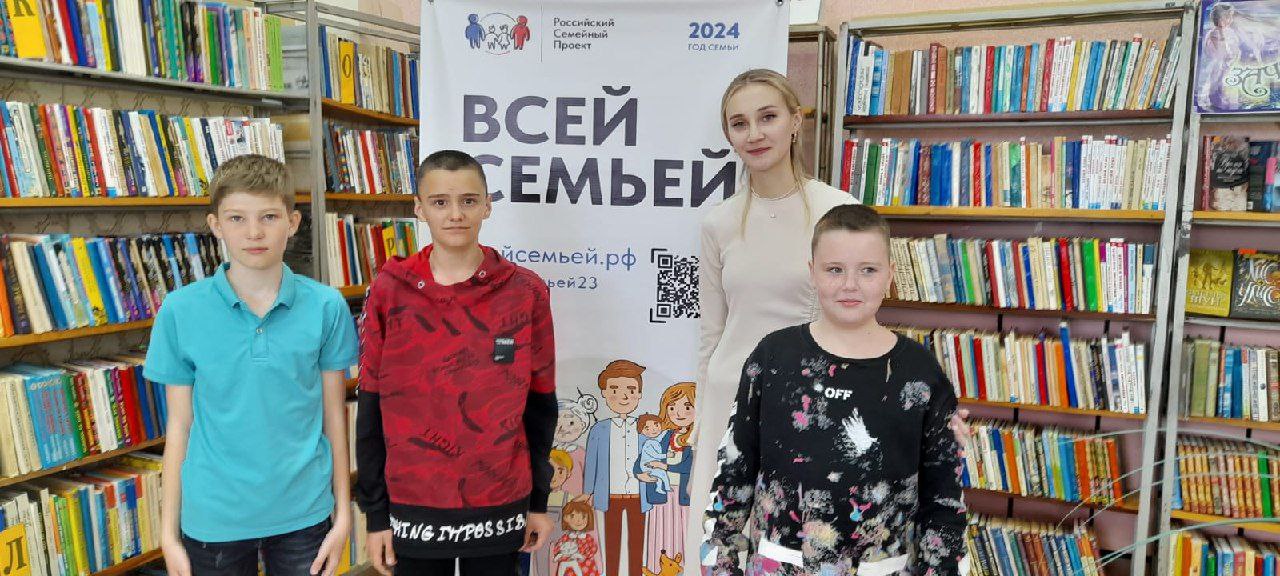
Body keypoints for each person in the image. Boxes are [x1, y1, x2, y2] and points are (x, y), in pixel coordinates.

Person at [701, 204, 966, 576]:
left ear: (890, 274)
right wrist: (721, 566)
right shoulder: (773, 356)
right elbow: (733, 473)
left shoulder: (921, 372)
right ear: (812, 272)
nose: (850, 285)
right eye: (834, 269)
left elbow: (944, 499)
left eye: (868, 270)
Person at [147, 154, 358, 576]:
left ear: (292, 223)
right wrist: (168, 535)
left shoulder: (326, 306)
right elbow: (180, 426)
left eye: (269, 217)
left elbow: (334, 416)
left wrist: (343, 515)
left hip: (304, 513)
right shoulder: (179, 310)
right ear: (216, 225)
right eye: (237, 218)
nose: (254, 232)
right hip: (213, 517)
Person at [355, 150, 557, 576]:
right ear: (419, 208)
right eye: (440, 202)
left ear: (487, 205)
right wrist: (375, 516)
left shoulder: (525, 291)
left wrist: (538, 502)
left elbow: (541, 404)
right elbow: (371, 405)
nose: (455, 214)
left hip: (501, 500)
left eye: (468, 201)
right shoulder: (389, 290)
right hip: (413, 503)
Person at [684, 68, 858, 559]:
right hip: (729, 402)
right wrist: (702, 423)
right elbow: (711, 332)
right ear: (728, 136)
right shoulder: (718, 223)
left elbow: (855, 322)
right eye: (739, 123)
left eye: (767, 117)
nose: (754, 134)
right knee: (723, 548)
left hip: (811, 403)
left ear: (795, 121)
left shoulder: (838, 211)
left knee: (803, 546)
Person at [580, 359, 646, 576]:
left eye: (631, 390)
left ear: (639, 394)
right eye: (615, 390)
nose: (623, 396)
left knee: (637, 542)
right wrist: (588, 492)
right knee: (612, 542)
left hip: (638, 495)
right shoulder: (599, 429)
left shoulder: (643, 428)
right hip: (610, 496)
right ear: (605, 393)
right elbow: (591, 462)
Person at [636, 414, 670, 494]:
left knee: (659, 476)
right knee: (662, 474)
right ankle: (668, 488)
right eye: (647, 428)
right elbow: (655, 455)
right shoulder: (648, 443)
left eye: (656, 425)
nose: (654, 429)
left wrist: (666, 431)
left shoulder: (656, 440)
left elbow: (661, 436)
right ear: (642, 431)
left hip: (652, 464)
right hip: (646, 466)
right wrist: (667, 455)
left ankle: (659, 488)